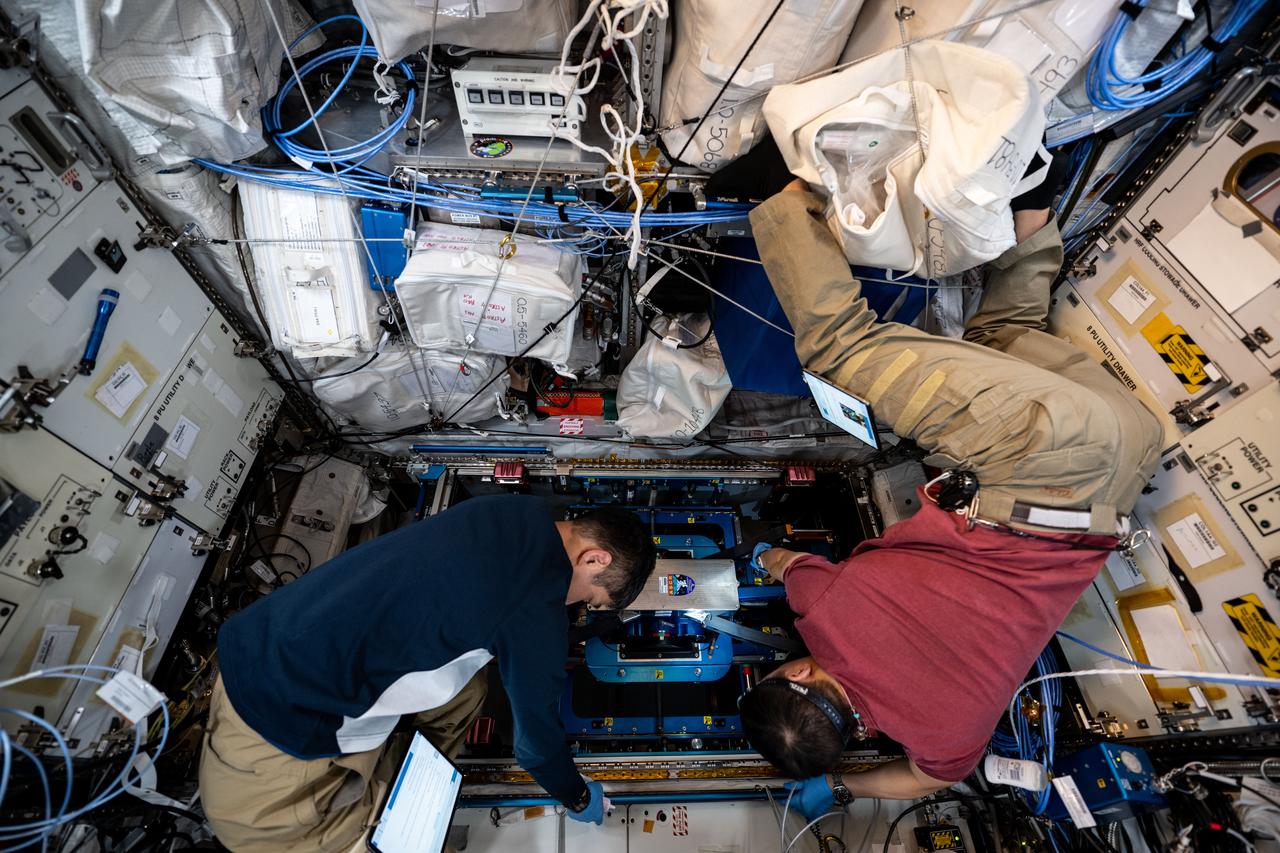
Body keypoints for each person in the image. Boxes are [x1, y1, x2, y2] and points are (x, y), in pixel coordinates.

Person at [737, 179, 1163, 814]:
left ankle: (1032, 210)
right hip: (1038, 450)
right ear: (796, 674)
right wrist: (764, 556)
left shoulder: (945, 743)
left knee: (1000, 338)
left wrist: (845, 786)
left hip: (1131, 451)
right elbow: (782, 565)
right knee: (839, 350)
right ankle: (777, 187)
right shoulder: (819, 611)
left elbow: (925, 779)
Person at [199, 494, 656, 851]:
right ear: (595, 559)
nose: (576, 607)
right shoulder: (538, 604)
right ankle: (384, 810)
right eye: (590, 599)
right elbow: (535, 745)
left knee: (469, 690)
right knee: (297, 841)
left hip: (266, 634)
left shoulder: (511, 510)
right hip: (281, 712)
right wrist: (576, 795)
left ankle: (399, 774)